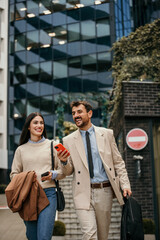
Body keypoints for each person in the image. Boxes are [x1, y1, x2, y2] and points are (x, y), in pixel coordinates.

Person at [58, 101, 132, 240]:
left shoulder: (106, 134)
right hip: (82, 192)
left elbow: (118, 162)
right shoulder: (68, 140)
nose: (76, 116)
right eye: (73, 113)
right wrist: (63, 161)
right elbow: (68, 171)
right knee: (89, 234)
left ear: (89, 113)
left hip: (104, 191)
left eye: (79, 112)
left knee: (102, 235)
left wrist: (125, 184)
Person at [10, 112, 71, 240]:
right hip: (28, 196)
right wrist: (27, 178)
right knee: (32, 237)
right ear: (28, 126)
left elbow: (65, 172)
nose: (39, 125)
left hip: (49, 194)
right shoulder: (21, 150)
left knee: (44, 237)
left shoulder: (52, 145)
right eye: (35, 122)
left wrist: (53, 174)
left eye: (41, 123)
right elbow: (13, 175)